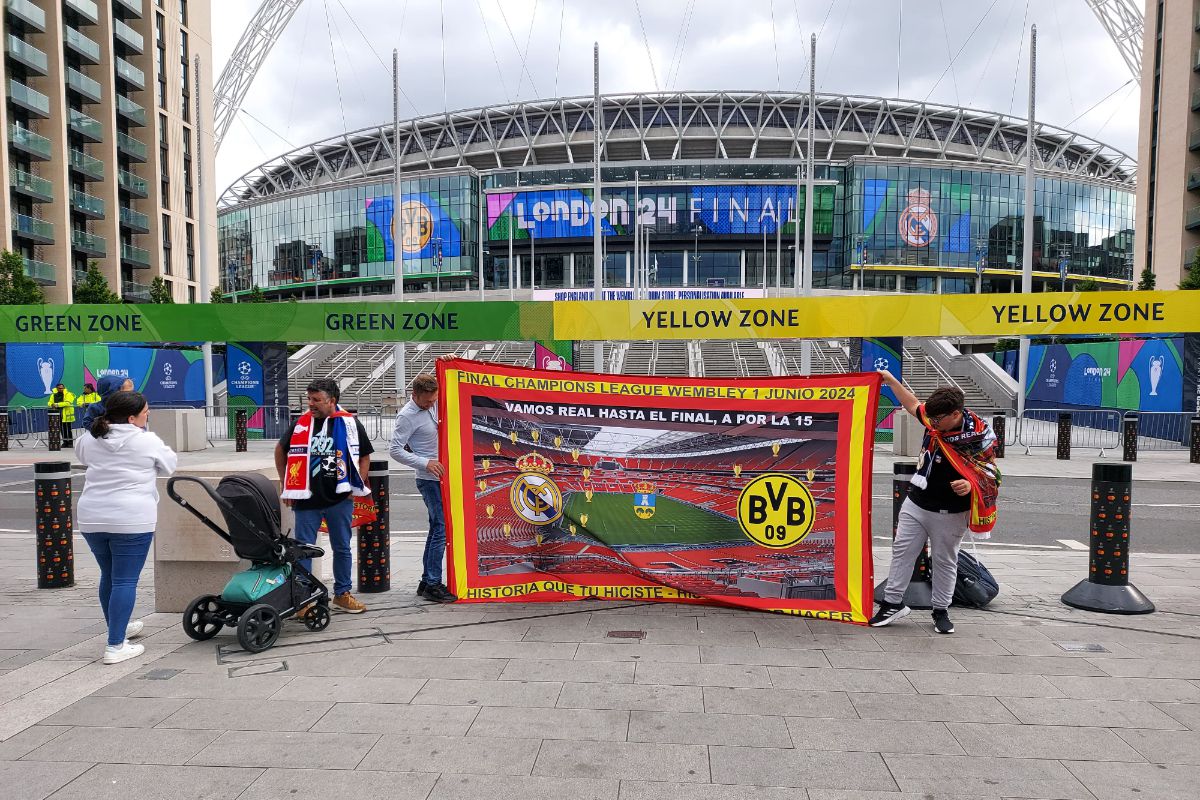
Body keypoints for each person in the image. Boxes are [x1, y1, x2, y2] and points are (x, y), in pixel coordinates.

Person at [869, 373, 1000, 634]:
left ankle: (940, 610)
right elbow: (911, 404)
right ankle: (893, 603)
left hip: (950, 511)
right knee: (902, 553)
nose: (932, 424)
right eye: (931, 418)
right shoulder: (934, 420)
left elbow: (990, 473)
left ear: (955, 414)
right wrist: (890, 380)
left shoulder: (979, 436)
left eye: (938, 420)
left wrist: (970, 485)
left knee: (944, 561)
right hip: (917, 502)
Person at [76, 391, 177, 664]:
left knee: (108, 575)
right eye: (145, 412)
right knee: (125, 580)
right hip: (132, 518)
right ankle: (115, 645)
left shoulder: (90, 437)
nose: (148, 415)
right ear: (132, 418)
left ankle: (118, 627)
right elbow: (170, 465)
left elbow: (83, 456)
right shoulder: (146, 440)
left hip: (91, 516)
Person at [275, 378, 373, 614]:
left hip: (339, 499)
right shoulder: (301, 424)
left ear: (332, 400)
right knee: (303, 550)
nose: (311, 404)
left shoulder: (349, 423)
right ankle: (304, 599)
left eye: (317, 400)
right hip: (307, 500)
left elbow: (365, 456)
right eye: (309, 399)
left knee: (342, 548)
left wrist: (355, 483)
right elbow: (280, 450)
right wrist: (285, 483)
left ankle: (342, 594)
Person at [390, 371, 457, 603]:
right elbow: (395, 450)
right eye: (427, 401)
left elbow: (443, 375)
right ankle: (432, 583)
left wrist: (448, 361)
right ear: (415, 395)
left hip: (444, 476)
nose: (432, 404)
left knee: (436, 528)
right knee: (441, 528)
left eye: (434, 400)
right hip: (428, 478)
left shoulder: (433, 403)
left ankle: (426, 580)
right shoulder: (406, 416)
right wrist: (425, 462)